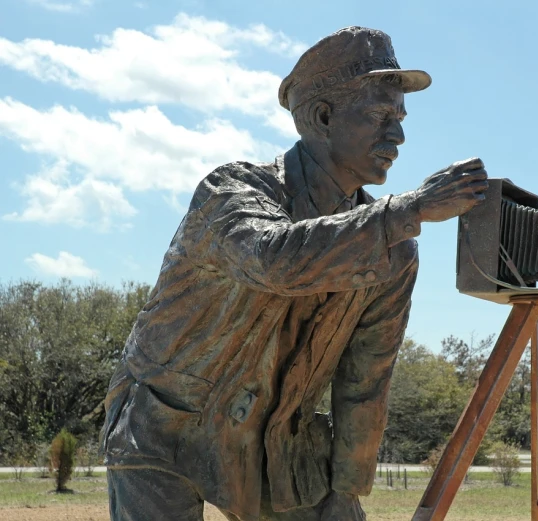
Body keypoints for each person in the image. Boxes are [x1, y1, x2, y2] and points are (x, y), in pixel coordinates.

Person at [100, 26, 489, 521]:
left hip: (278, 443)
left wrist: (347, 489)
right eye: (379, 115)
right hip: (163, 425)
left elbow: (364, 382)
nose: (398, 135)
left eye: (400, 118)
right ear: (323, 117)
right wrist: (407, 209)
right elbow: (274, 260)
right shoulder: (233, 191)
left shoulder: (393, 251)